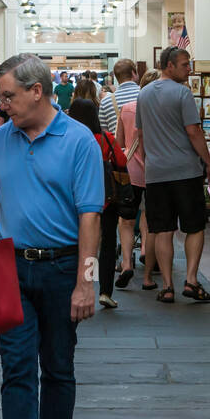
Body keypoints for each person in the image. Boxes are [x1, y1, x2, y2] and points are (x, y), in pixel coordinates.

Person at [0, 53, 103, 419]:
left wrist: (87, 283)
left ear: (36, 91)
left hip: (63, 270)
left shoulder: (79, 141)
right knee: (16, 368)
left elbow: (91, 219)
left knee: (58, 368)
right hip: (9, 268)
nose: (2, 104)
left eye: (8, 96)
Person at [136, 47, 210, 304]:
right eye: (184, 65)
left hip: (157, 173)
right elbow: (193, 131)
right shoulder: (183, 93)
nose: (189, 70)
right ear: (169, 66)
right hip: (185, 171)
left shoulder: (144, 94)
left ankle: (168, 286)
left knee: (162, 229)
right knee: (194, 226)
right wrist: (209, 162)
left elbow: (140, 134)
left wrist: (150, 162)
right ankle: (191, 281)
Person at [67, 97, 128, 310]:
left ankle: (83, 283)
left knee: (81, 245)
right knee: (108, 246)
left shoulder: (68, 139)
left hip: (76, 200)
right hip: (107, 199)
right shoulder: (106, 139)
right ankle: (104, 291)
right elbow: (121, 161)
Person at [116, 69, 159, 290]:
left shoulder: (127, 109)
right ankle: (148, 274)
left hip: (131, 168)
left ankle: (125, 264)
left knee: (126, 220)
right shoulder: (161, 110)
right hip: (155, 169)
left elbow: (119, 142)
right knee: (149, 219)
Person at [100, 58, 139, 134]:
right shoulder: (146, 95)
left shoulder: (105, 102)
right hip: (142, 144)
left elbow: (105, 135)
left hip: (117, 145)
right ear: (133, 73)